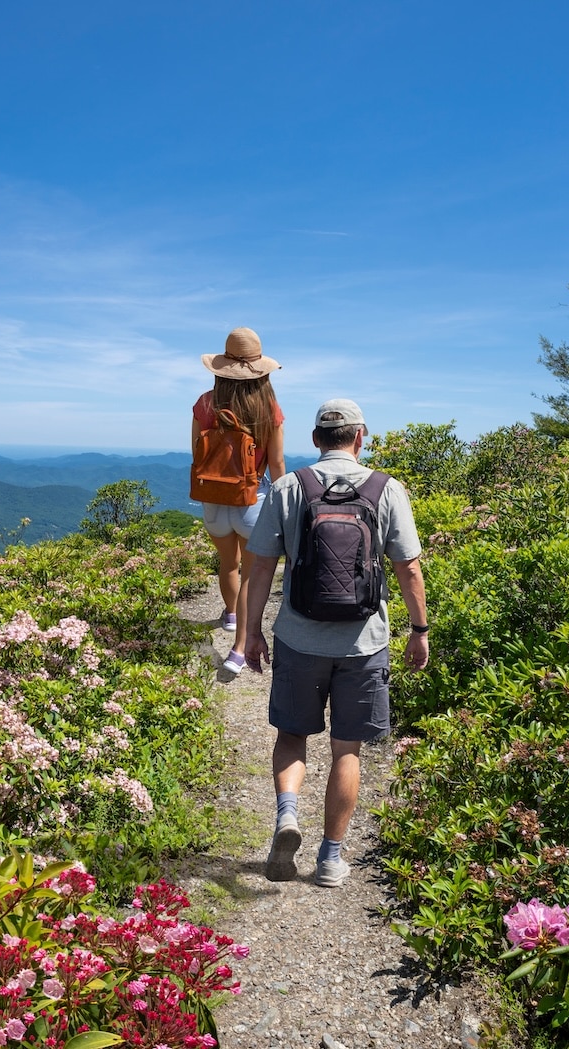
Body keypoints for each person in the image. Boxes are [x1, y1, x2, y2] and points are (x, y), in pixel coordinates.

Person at [242, 398, 429, 887]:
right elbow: (408, 567)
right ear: (360, 437)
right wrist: (419, 630)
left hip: (299, 638)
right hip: (364, 643)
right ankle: (329, 858)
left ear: (315, 439)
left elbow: (260, 566)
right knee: (348, 750)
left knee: (292, 736)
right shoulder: (386, 489)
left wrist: (251, 633)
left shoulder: (287, 487)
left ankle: (287, 815)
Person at [193, 327, 287, 675]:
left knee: (227, 564)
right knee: (251, 573)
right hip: (253, 500)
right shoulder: (269, 408)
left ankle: (230, 615)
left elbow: (197, 455)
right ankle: (237, 649)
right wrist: (285, 507)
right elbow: (276, 464)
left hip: (214, 500)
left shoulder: (205, 404)